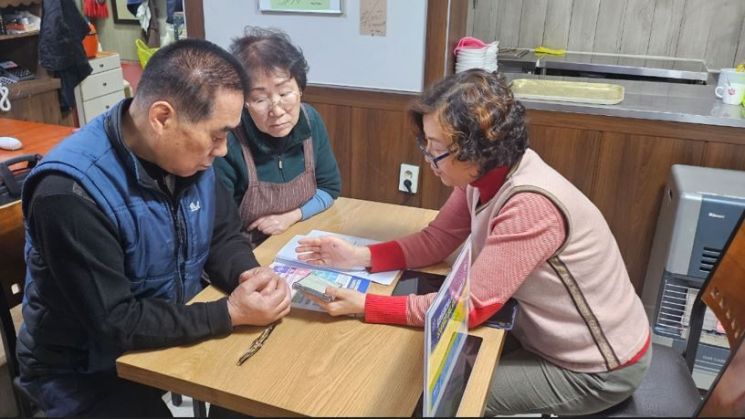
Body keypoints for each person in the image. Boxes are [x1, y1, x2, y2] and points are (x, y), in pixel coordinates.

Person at [295, 69, 651, 416]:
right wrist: (357, 256)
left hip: (599, 368)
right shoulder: (484, 177)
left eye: (435, 149)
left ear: (475, 151)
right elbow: (437, 240)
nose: (429, 161)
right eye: (426, 144)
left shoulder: (530, 204)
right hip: (546, 338)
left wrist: (366, 305)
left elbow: (467, 307)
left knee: (434, 398)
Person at [17, 39, 292, 417]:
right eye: (217, 134)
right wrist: (229, 313)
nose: (223, 150)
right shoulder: (70, 192)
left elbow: (223, 235)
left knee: (262, 396)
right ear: (162, 118)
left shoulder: (189, 160)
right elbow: (116, 321)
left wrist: (248, 273)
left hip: (158, 338)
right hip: (84, 370)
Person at [214, 27, 341, 247]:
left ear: (300, 89)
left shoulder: (310, 120)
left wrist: (291, 217)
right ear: (243, 101)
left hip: (297, 237)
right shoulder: (229, 142)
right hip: (245, 252)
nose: (277, 110)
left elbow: (329, 188)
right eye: (260, 99)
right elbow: (222, 231)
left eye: (284, 94)